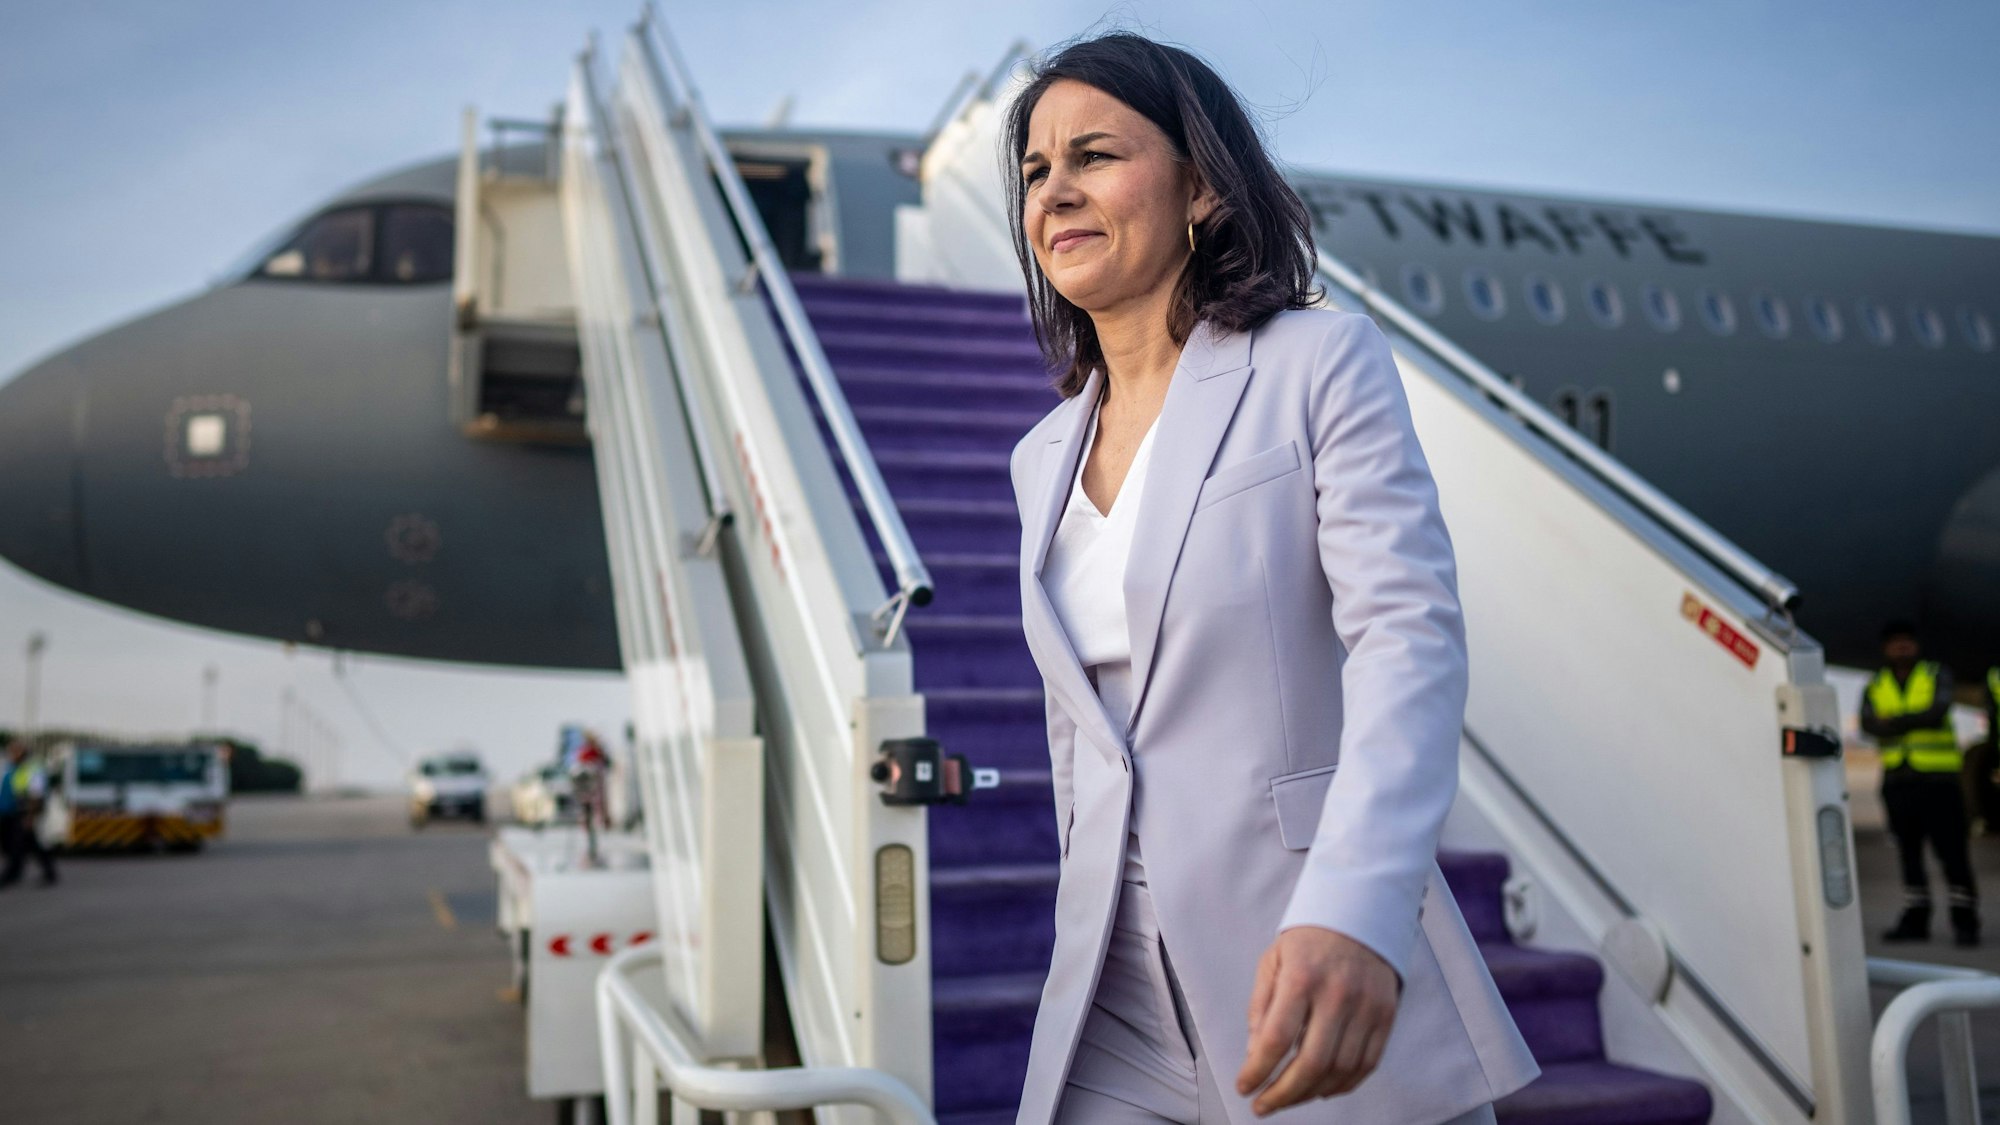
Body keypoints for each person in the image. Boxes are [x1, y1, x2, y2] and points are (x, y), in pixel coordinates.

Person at [1002, 32, 1537, 1125]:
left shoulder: (1316, 362)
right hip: (1114, 996)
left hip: (1296, 949)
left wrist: (1357, 905)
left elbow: (1407, 641)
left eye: (1094, 155)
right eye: (1035, 169)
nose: (1053, 190)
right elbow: (1080, 740)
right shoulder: (1039, 457)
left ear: (1201, 188)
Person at [1861, 621, 1976, 946]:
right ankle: (1916, 918)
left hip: (1939, 780)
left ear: (1916, 645)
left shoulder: (1935, 674)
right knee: (1908, 854)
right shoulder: (1876, 684)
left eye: (1907, 641)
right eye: (1895, 642)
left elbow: (1936, 713)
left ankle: (1965, 921)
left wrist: (1893, 721)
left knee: (1952, 853)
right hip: (1898, 780)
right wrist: (1911, 719)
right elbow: (1869, 724)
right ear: (1886, 648)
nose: (1902, 647)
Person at [0, 735, 58, 888]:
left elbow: (35, 796)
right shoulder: (13, 768)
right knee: (27, 844)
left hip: (23, 813)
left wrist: (30, 817)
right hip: (11, 812)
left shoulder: (33, 769)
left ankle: (12, 873)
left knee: (18, 844)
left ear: (23, 752)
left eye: (14, 751)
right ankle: (47, 872)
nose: (11, 754)